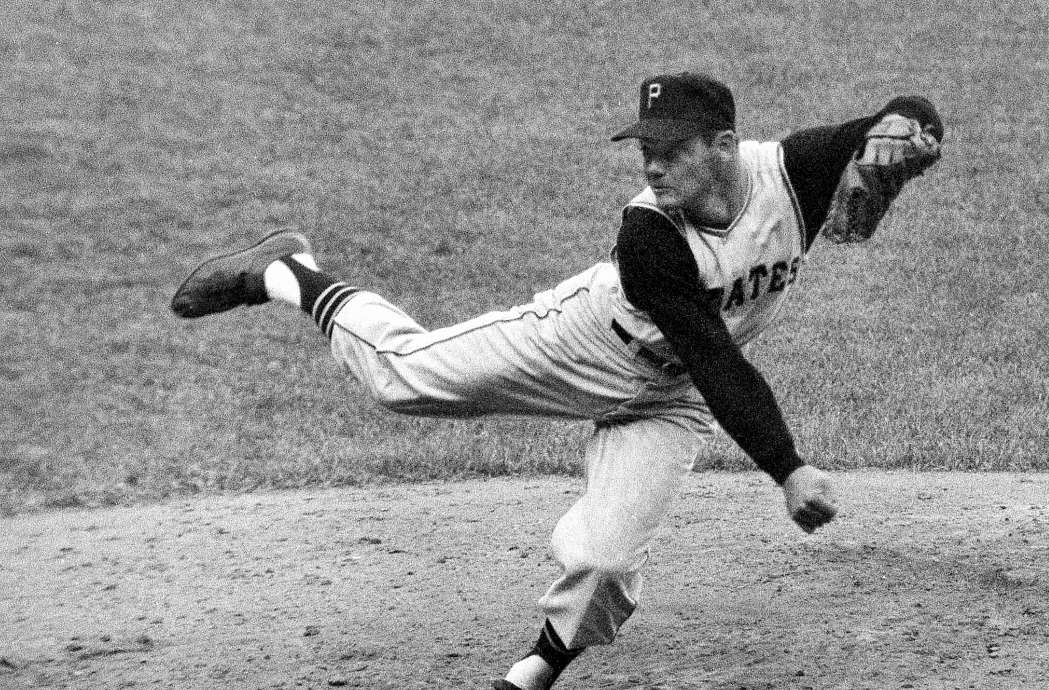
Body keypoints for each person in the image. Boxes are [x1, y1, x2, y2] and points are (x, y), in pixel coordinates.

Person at [171, 72, 943, 690]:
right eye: (646, 147)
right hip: (584, 343)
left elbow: (902, 115)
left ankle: (533, 672)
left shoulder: (797, 173)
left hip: (669, 401)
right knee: (399, 379)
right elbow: (715, 355)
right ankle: (287, 271)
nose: (652, 163)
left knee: (605, 562)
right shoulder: (647, 233)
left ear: (724, 145)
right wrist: (788, 466)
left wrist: (906, 127)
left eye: (672, 150)